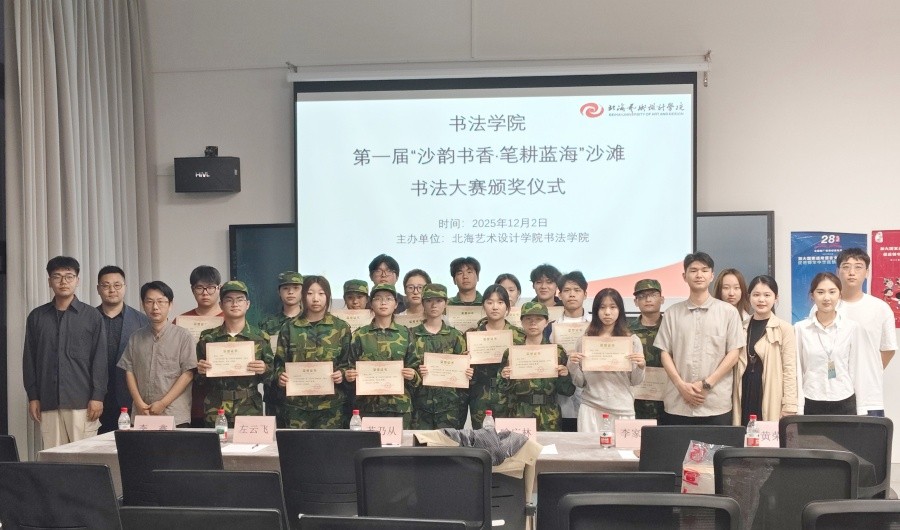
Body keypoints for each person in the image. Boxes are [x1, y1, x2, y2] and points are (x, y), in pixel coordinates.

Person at [23, 256, 107, 448]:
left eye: (69, 276)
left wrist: (98, 396)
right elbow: (29, 360)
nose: (63, 282)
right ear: (49, 281)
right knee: (53, 457)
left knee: (84, 457)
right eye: (57, 276)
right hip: (48, 400)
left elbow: (100, 360)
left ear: (78, 280)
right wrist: (33, 396)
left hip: (82, 402)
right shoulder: (36, 317)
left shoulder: (92, 316)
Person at [654, 252, 744, 425]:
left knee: (717, 444)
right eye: (693, 270)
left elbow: (734, 353)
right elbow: (665, 353)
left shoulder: (728, 312)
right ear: (684, 276)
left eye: (704, 270)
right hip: (678, 403)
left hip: (715, 403)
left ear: (712, 276)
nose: (699, 275)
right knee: (677, 444)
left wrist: (707, 384)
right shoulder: (672, 313)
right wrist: (681, 386)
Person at [274, 276, 352, 428]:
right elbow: (279, 362)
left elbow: (348, 363)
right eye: (310, 293)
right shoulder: (289, 327)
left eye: (321, 293)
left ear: (328, 296)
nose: (316, 299)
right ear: (303, 296)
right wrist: (280, 376)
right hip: (296, 407)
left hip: (331, 407)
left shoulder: (341, 328)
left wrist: (341, 374)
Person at [118, 281, 197, 427]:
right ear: (143, 305)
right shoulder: (135, 337)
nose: (155, 307)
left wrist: (163, 403)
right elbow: (129, 371)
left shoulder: (183, 336)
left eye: (161, 301)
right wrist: (139, 403)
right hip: (142, 414)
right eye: (149, 302)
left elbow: (188, 374)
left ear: (170, 304)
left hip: (174, 414)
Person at [196, 281, 274, 427]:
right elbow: (198, 380)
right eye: (229, 300)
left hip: (249, 406)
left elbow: (271, 376)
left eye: (240, 299)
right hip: (216, 406)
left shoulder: (260, 337)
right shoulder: (208, 338)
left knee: (249, 442)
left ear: (247, 304)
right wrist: (201, 371)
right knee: (218, 442)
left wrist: (264, 369)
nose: (235, 304)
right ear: (221, 305)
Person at [345, 284, 421, 428]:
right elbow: (349, 367)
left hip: (399, 407)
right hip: (367, 407)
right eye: (378, 299)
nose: (383, 302)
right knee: (369, 442)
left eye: (388, 299)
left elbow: (416, 369)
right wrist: (349, 377)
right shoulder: (360, 335)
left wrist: (413, 375)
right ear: (371, 304)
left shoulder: (405, 334)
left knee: (399, 443)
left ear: (396, 304)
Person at [568, 288, 645, 428]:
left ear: (620, 310)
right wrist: (572, 365)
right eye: (602, 307)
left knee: (622, 444)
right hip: (591, 407)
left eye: (613, 307)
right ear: (596, 310)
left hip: (622, 408)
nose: (607, 312)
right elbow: (580, 382)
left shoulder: (632, 341)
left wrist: (640, 366)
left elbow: (635, 381)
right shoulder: (585, 341)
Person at [795, 272, 870, 415]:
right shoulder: (800, 329)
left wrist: (861, 408)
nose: (826, 298)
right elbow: (798, 369)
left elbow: (857, 369)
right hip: (811, 399)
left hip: (844, 399)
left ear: (840, 295)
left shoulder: (851, 328)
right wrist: (798, 407)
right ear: (812, 296)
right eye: (820, 292)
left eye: (832, 292)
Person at [835, 248, 897, 416]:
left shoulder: (880, 308)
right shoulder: (825, 307)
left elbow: (888, 349)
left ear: (867, 272)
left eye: (858, 267)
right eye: (846, 266)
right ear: (838, 271)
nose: (852, 272)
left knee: (870, 433)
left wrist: (869, 370)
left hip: (869, 395)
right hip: (833, 393)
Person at [499, 301, 575, 431]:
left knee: (549, 444)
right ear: (521, 322)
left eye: (538, 319)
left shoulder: (557, 352)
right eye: (528, 319)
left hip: (549, 414)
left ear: (546, 322)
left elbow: (568, 391)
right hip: (520, 412)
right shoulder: (512, 353)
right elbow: (501, 390)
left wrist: (564, 376)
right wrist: (504, 377)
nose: (533, 323)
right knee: (521, 444)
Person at [731, 275, 797, 425]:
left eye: (767, 295)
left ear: (776, 298)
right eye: (756, 295)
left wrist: (789, 405)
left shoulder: (784, 329)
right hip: (744, 390)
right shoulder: (741, 327)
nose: (761, 300)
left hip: (770, 393)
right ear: (749, 297)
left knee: (767, 435)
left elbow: (789, 369)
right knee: (744, 434)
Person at [95, 265, 149, 434]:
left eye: (117, 285)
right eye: (106, 285)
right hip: (96, 399)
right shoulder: (88, 318)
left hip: (131, 398)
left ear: (125, 287)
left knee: (131, 445)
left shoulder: (142, 321)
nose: (112, 290)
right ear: (98, 289)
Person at [411, 283, 472, 429]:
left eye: (439, 301)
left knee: (448, 443)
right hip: (420, 406)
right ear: (423, 303)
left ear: (446, 303)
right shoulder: (411, 334)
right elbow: (407, 366)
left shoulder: (455, 336)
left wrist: (467, 372)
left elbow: (463, 372)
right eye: (429, 300)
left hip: (449, 407)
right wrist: (417, 372)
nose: (434, 305)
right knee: (420, 443)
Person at [468, 284, 525, 428]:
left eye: (500, 302)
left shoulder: (519, 336)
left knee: (508, 437)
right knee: (481, 438)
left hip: (510, 398)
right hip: (481, 398)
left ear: (507, 307)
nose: (495, 307)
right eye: (490, 302)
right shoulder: (472, 335)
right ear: (483, 305)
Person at [177, 265, 224, 427]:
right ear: (192, 289)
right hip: (190, 397)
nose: (205, 293)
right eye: (199, 288)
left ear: (219, 288)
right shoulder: (180, 322)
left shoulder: (230, 319)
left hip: (223, 400)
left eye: (210, 287)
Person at [258, 271, 304, 425]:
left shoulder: (309, 322)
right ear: (279, 292)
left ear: (303, 291)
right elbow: (262, 355)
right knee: (275, 435)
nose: (290, 292)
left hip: (303, 392)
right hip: (275, 393)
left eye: (296, 288)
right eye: (285, 288)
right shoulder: (267, 323)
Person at [547, 271, 590, 431]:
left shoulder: (596, 327)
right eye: (566, 290)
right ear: (559, 295)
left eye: (577, 290)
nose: (572, 294)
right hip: (561, 397)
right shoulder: (550, 327)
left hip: (591, 395)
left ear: (585, 294)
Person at [627, 279, 666, 420]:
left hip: (667, 398)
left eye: (653, 295)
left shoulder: (670, 327)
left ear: (662, 299)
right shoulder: (626, 332)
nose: (648, 299)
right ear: (635, 302)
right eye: (642, 296)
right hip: (636, 399)